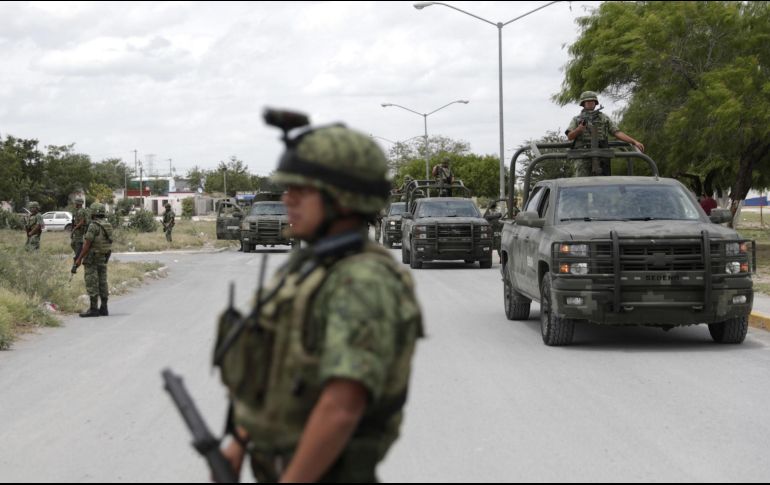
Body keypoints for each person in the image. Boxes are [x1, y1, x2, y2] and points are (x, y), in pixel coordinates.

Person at [215, 111, 423, 482]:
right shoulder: (310, 266)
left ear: (342, 198)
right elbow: (279, 369)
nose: (287, 199)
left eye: (302, 190)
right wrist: (239, 441)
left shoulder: (363, 280)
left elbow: (342, 407)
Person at [566, 91, 645, 176]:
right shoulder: (576, 119)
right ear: (583, 103)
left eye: (592, 101)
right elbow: (570, 136)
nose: (590, 103)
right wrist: (578, 130)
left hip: (602, 154)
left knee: (603, 183)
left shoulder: (604, 118)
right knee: (582, 183)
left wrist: (634, 142)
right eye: (587, 101)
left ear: (595, 103)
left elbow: (617, 132)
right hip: (582, 155)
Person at [74, 203, 112, 318]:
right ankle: (104, 307)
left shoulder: (93, 226)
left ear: (93, 212)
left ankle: (94, 309)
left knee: (92, 282)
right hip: (103, 256)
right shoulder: (108, 225)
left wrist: (79, 259)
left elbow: (87, 244)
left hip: (92, 258)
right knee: (103, 282)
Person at [71, 197, 90, 261]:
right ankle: (79, 255)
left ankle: (78, 257)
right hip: (78, 229)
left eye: (75, 203)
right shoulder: (78, 211)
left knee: (78, 243)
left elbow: (82, 222)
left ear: (78, 203)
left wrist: (74, 229)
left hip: (80, 230)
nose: (75, 204)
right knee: (73, 243)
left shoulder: (81, 211)